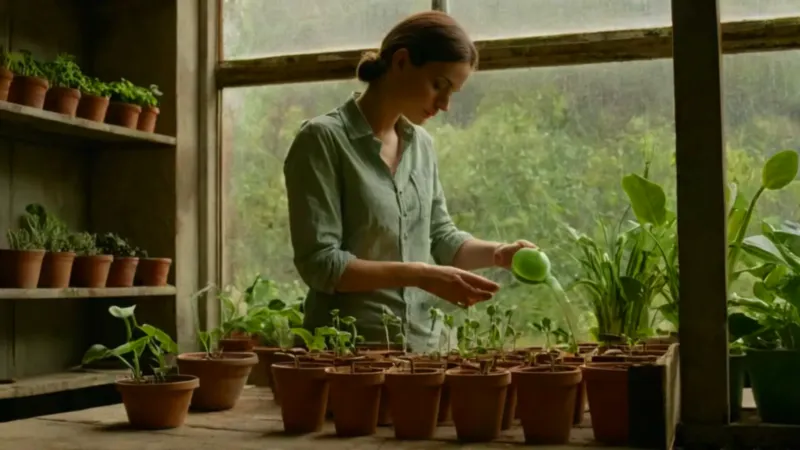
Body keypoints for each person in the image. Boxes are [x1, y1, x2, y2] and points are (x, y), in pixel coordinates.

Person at [283, 10, 536, 353]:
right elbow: (321, 264)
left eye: (453, 93)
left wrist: (500, 254)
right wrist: (420, 274)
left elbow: (441, 236)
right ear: (401, 62)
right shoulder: (322, 140)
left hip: (426, 352)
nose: (445, 105)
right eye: (438, 85)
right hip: (348, 357)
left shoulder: (422, 145)